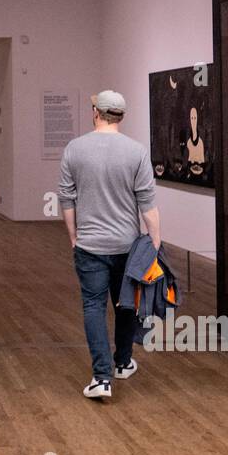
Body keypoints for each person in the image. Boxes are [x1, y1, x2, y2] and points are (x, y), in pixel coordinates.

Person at [58, 90, 160, 400]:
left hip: (90, 245)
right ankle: (123, 361)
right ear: (121, 116)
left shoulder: (75, 149)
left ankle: (101, 378)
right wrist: (154, 241)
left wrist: (74, 236)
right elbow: (147, 203)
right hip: (127, 246)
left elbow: (66, 198)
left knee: (93, 306)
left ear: (95, 112)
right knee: (126, 303)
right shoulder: (137, 151)